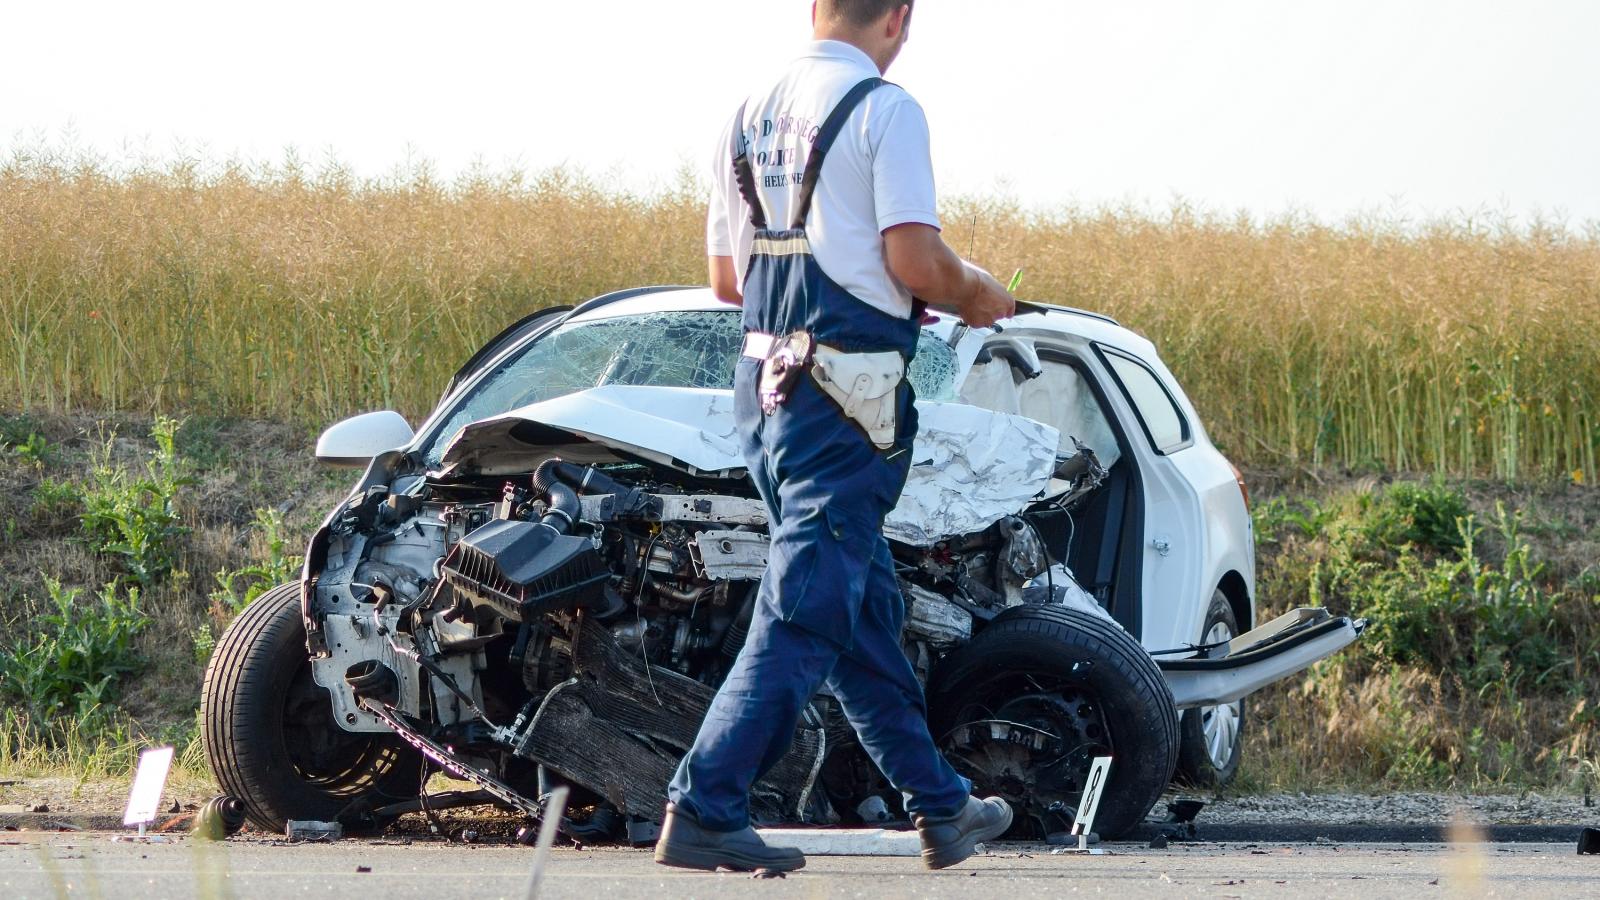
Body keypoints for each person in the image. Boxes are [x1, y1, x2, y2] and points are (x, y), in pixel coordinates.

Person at [655, 0, 1018, 873]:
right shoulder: (888, 111)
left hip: (764, 387)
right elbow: (917, 264)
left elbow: (722, 279)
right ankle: (704, 805)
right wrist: (979, 293)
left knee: (859, 609)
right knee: (809, 602)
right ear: (900, 18)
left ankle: (941, 807)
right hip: (847, 398)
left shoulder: (745, 114)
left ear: (814, 9)